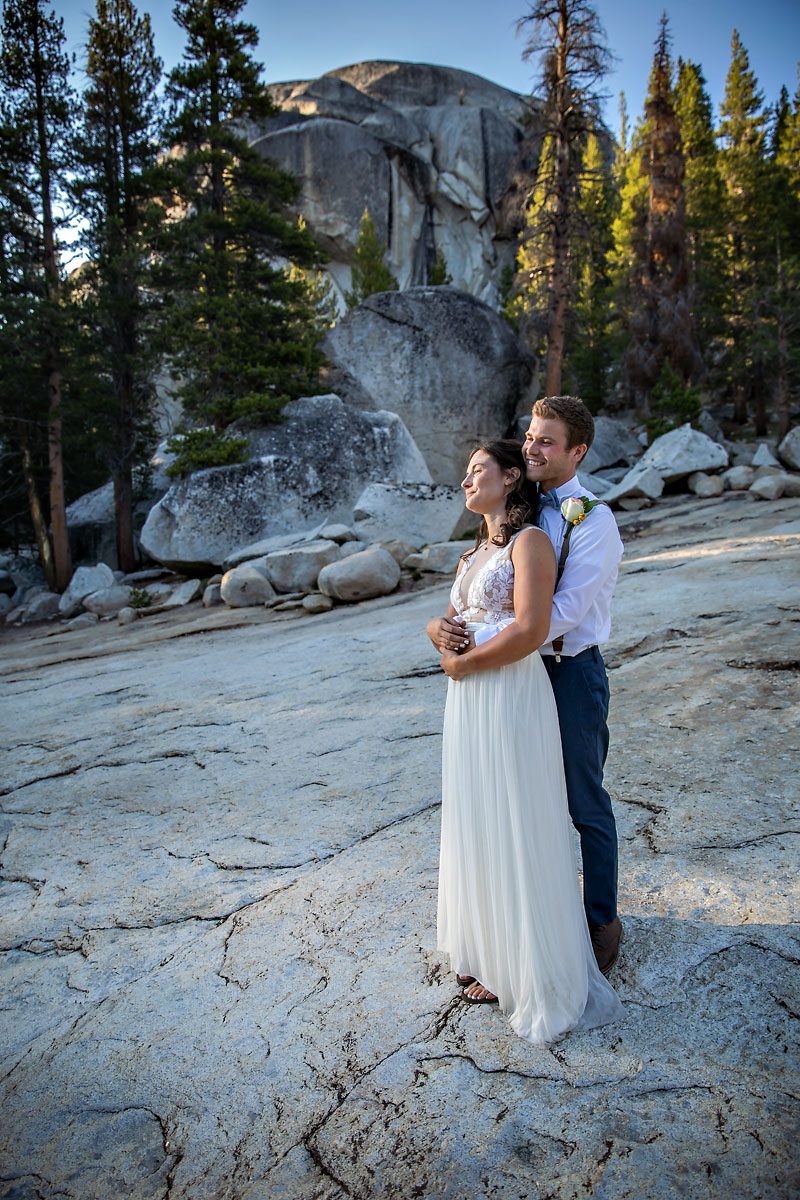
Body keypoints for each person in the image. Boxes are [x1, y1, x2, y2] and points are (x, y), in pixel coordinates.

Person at [427, 439, 621, 1045]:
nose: (466, 480)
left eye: (478, 470)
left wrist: (464, 664)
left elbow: (534, 628)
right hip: (470, 702)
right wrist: (437, 632)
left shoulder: (532, 542)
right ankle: (486, 948)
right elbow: (452, 618)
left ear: (511, 478)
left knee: (519, 814)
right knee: (478, 817)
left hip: (507, 690)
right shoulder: (473, 553)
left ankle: (536, 957)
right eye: (465, 472)